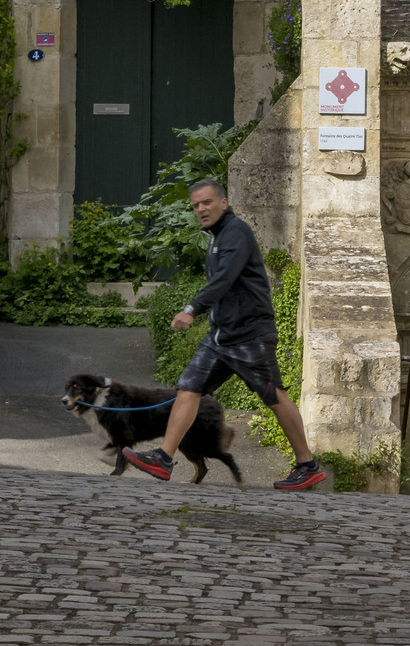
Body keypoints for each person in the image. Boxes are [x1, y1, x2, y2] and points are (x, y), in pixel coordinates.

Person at [123, 176, 326, 492]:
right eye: (196, 205)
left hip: (250, 336)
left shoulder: (236, 233)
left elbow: (225, 280)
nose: (201, 209)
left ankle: (307, 465)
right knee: (188, 388)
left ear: (223, 203)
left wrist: (192, 308)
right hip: (221, 337)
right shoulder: (217, 237)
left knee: (273, 395)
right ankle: (164, 459)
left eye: (207, 202)